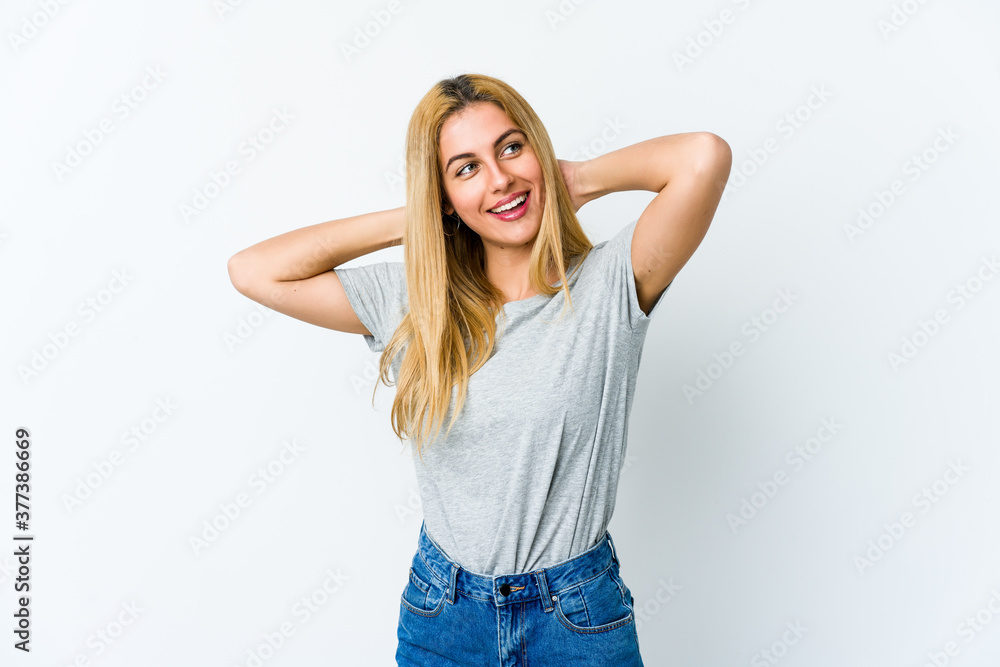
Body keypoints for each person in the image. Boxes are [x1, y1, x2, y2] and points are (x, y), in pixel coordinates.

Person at [228, 73, 731, 665]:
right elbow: (254, 271)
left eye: (511, 148)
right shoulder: (417, 302)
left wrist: (574, 179)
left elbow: (703, 157)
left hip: (574, 618)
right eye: (466, 168)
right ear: (442, 193)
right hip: (443, 617)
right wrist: (423, 215)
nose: (499, 179)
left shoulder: (609, 284)